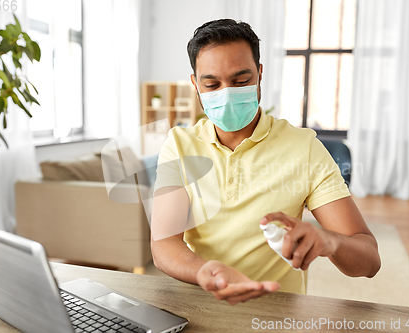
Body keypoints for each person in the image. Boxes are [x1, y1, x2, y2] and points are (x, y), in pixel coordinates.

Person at [150, 19, 381, 306]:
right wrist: (203, 272)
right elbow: (163, 243)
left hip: (276, 314)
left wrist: (330, 241)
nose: (227, 93)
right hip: (202, 305)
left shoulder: (303, 147)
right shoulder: (179, 144)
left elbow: (369, 262)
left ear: (260, 74)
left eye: (241, 81)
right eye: (212, 84)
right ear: (195, 84)